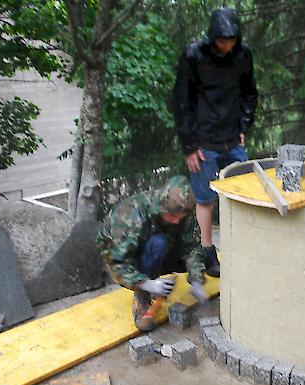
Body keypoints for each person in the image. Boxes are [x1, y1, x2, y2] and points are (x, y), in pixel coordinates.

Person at [173, 7, 258, 278]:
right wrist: (189, 146)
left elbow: (249, 94)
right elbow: (181, 102)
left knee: (242, 195)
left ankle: (245, 250)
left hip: (233, 139)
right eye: (222, 40)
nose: (227, 45)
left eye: (231, 40)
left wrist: (244, 126)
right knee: (205, 198)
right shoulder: (194, 55)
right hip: (203, 142)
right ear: (212, 37)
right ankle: (207, 252)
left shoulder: (243, 55)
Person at [97, 176, 206, 332]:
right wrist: (147, 284)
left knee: (206, 256)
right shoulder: (131, 215)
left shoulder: (182, 212)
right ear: (162, 206)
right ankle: (142, 296)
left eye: (180, 217)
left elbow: (192, 246)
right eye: (173, 216)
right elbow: (117, 263)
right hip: (119, 252)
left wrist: (197, 280)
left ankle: (154, 278)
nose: (176, 221)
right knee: (158, 243)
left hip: (154, 243)